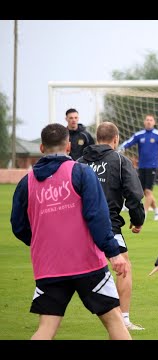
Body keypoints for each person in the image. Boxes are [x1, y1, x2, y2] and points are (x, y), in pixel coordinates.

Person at [10, 123, 131, 340]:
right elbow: (97, 217)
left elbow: (18, 226)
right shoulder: (81, 172)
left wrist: (42, 242)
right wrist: (114, 253)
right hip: (88, 265)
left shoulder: (25, 183)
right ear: (68, 146)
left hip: (49, 267)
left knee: (45, 329)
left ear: (41, 147)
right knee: (115, 322)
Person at [78, 122, 146, 331]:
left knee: (75, 272)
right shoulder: (119, 159)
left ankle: (51, 317)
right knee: (123, 267)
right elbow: (134, 194)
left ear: (97, 138)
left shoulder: (79, 162)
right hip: (108, 226)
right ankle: (123, 319)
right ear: (115, 139)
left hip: (79, 226)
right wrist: (137, 220)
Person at [119, 114, 158, 221]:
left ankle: (144, 213)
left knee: (148, 191)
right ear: (144, 122)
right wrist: (122, 147)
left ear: (154, 122)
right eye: (147, 120)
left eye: (151, 120)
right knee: (145, 192)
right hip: (142, 167)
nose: (149, 122)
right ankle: (157, 211)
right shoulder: (139, 135)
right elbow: (129, 142)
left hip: (153, 167)